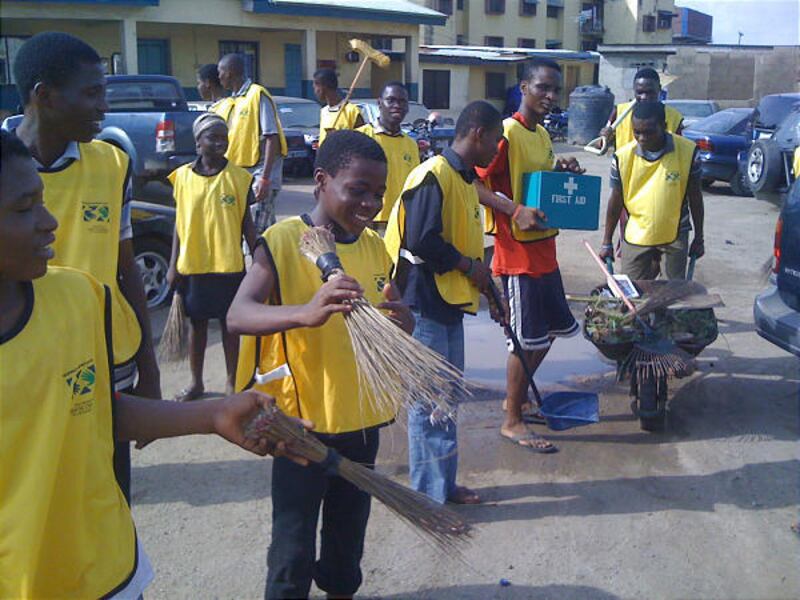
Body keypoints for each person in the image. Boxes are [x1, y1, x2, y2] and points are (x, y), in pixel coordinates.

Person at [0, 130, 307, 599]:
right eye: (24, 209)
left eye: (41, 202)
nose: (49, 223)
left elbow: (91, 410)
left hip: (108, 570)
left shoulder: (79, 297)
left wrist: (212, 414)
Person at [227, 130, 414, 599]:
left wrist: (403, 326)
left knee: (346, 548)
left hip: (362, 422)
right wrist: (303, 313)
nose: (370, 203)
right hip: (301, 427)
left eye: (379, 193)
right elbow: (238, 315)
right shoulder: (284, 241)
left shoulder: (374, 247)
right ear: (321, 180)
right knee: (291, 551)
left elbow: (377, 322)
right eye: (357, 189)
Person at [9, 31, 160, 500]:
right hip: (19, 359)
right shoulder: (4, 165)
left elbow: (125, 266)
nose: (104, 107)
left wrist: (149, 368)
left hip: (104, 355)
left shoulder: (112, 164)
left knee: (107, 489)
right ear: (44, 96)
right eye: (92, 92)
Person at [384, 100, 504, 505]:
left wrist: (483, 279)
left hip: (449, 301)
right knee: (429, 401)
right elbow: (421, 239)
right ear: (477, 134)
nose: (497, 149)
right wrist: (470, 266)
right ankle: (427, 498)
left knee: (447, 399)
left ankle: (443, 485)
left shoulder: (464, 179)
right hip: (424, 301)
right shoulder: (432, 175)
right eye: (496, 141)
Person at [475, 58, 585, 453]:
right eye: (543, 88)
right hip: (517, 255)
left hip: (545, 251)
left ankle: (516, 398)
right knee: (523, 340)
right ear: (523, 87)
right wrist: (513, 209)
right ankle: (512, 420)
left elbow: (536, 179)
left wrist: (562, 168)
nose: (551, 96)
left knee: (549, 333)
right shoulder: (506, 133)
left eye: (556, 90)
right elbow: (472, 182)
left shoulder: (541, 135)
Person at [166, 113, 257, 401]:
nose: (219, 143)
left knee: (231, 328)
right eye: (212, 137)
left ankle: (232, 381)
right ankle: (196, 383)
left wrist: (261, 261)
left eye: (223, 138)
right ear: (198, 142)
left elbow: (247, 226)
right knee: (198, 327)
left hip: (229, 267)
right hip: (194, 266)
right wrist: (172, 266)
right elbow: (180, 226)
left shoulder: (240, 179)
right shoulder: (180, 178)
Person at [599, 100, 704, 280]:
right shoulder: (622, 157)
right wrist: (606, 241)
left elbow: (695, 197)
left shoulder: (688, 152)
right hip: (636, 233)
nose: (642, 138)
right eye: (637, 132)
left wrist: (699, 238)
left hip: (675, 234)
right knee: (631, 294)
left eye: (649, 132)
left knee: (671, 295)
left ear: (663, 126)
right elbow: (615, 201)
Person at [216, 53, 288, 234]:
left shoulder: (257, 95)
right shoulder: (233, 101)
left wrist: (265, 178)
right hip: (243, 173)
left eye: (220, 72)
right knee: (264, 229)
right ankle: (273, 259)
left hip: (261, 173)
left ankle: (261, 260)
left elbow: (272, 137)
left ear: (230, 72)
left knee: (255, 230)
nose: (219, 77)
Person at [357, 81, 420, 233]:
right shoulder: (361, 137)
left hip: (401, 220)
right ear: (379, 103)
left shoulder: (411, 144)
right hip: (369, 220)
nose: (397, 105)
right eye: (391, 100)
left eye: (402, 101)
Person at [600, 67, 684, 150]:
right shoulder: (619, 112)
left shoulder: (674, 117)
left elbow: (680, 149)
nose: (644, 97)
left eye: (649, 92)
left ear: (659, 88)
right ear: (634, 89)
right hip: (626, 163)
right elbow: (600, 146)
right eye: (639, 92)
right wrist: (606, 138)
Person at [313, 67, 364, 146]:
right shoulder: (324, 111)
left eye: (315, 87)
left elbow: (363, 140)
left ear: (324, 87)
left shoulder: (351, 111)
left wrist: (338, 137)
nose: (315, 91)